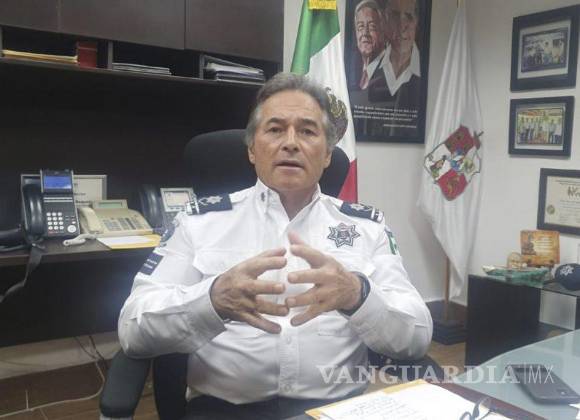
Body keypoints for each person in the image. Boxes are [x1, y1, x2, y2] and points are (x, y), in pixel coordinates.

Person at [118, 73, 432, 420]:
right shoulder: (198, 222)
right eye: (275, 129)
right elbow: (133, 329)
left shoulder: (367, 227)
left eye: (308, 131)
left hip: (334, 410)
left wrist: (358, 295)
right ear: (252, 149)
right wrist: (211, 300)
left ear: (328, 153)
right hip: (224, 411)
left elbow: (416, 336)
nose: (291, 143)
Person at [354, 0, 386, 90]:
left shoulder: (390, 71)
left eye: (372, 26)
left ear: (382, 32)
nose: (365, 33)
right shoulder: (353, 71)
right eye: (360, 26)